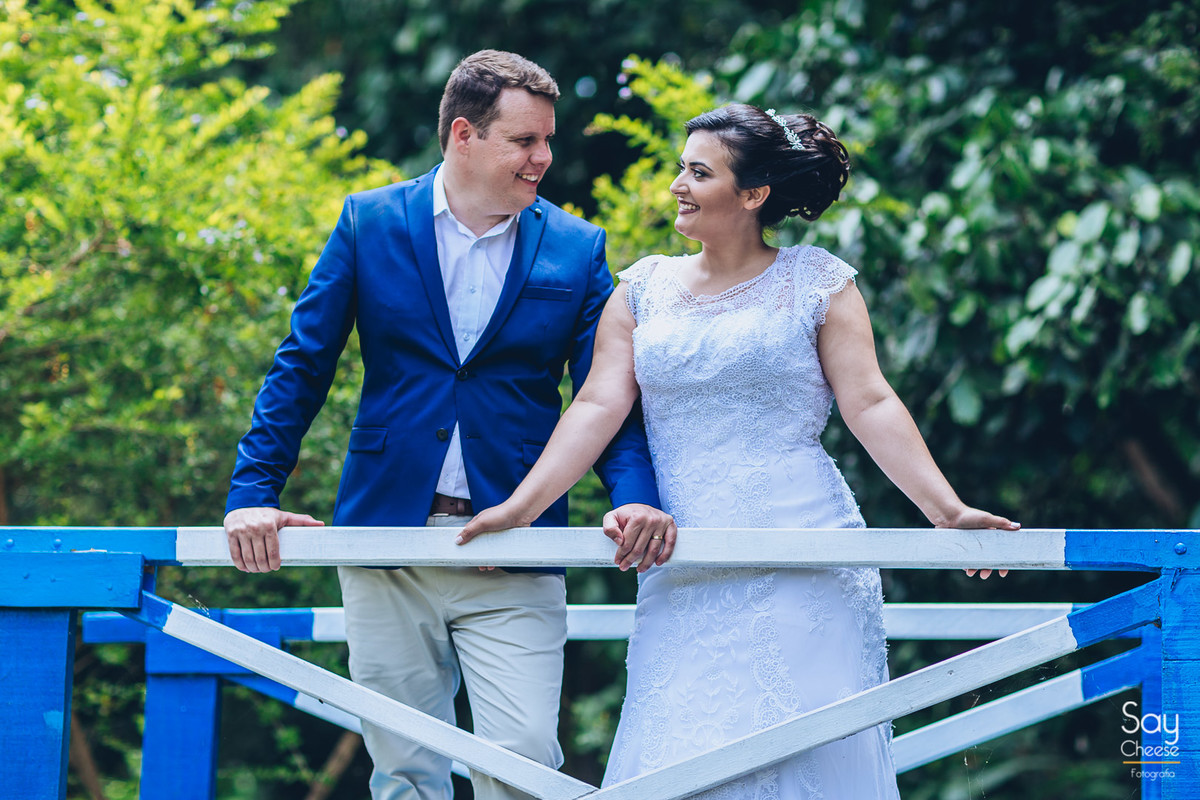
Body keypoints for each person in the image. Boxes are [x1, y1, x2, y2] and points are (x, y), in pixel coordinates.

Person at [458, 103, 1020, 798]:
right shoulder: (642, 289)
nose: (677, 186)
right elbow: (599, 406)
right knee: (679, 761)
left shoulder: (818, 282)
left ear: (753, 195)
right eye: (680, 169)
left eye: (699, 172)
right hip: (683, 562)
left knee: (802, 757)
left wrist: (948, 510)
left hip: (806, 555)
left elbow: (870, 401)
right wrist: (520, 506)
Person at [222, 50, 673, 800]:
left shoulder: (576, 247)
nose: (544, 158)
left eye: (547, 140)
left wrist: (634, 492)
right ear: (464, 134)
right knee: (404, 773)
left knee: (525, 765)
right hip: (385, 545)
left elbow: (607, 399)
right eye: (525, 141)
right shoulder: (368, 223)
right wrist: (252, 492)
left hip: (514, 549)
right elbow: (302, 365)